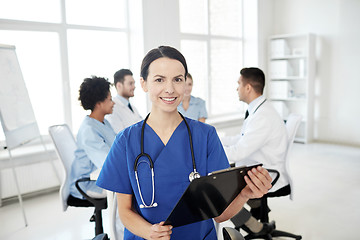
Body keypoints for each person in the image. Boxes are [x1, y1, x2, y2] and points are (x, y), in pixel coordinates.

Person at [96, 46, 272, 240]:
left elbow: (220, 214)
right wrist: (148, 232)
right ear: (144, 84)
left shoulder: (206, 136)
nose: (170, 89)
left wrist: (244, 194)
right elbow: (125, 211)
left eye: (178, 80)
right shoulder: (126, 141)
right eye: (159, 80)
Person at [221, 67, 288, 236]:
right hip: (258, 165)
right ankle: (258, 209)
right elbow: (241, 138)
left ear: (248, 87)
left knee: (220, 193)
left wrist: (211, 151)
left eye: (239, 84)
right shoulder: (258, 109)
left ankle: (256, 228)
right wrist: (217, 141)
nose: (237, 88)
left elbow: (238, 152)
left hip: (266, 172)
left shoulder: (262, 116)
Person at [69, 76, 116, 199]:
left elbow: (116, 148)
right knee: (130, 190)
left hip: (100, 176)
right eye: (110, 99)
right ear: (99, 104)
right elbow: (107, 161)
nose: (113, 103)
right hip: (89, 184)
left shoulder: (103, 123)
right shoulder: (88, 129)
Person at [106, 69, 142, 133]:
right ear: (119, 85)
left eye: (134, 83)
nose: (134, 87)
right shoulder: (113, 109)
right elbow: (120, 135)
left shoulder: (133, 108)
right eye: (130, 84)